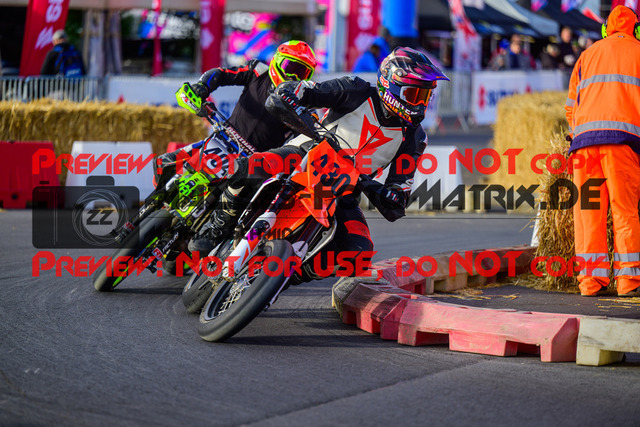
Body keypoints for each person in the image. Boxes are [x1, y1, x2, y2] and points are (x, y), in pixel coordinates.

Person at [191, 47, 449, 283]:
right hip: (305, 152)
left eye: (425, 96)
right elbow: (297, 92)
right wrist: (293, 100)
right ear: (391, 83)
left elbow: (399, 194)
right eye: (415, 94)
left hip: (345, 189)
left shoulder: (415, 138)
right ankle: (218, 226)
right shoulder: (355, 88)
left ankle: (286, 277)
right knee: (248, 168)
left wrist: (387, 194)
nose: (421, 104)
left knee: (359, 254)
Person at [160, 40, 316, 260]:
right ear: (277, 61)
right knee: (166, 161)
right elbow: (221, 74)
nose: (294, 76)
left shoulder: (302, 101)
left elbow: (308, 132)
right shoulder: (258, 70)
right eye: (291, 68)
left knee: (239, 198)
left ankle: (214, 231)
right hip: (223, 139)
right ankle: (159, 202)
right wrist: (202, 86)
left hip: (255, 161)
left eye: (302, 73)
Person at [564, 5, 640, 297]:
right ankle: (628, 281)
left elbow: (570, 106)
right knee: (624, 211)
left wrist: (580, 132)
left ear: (606, 29)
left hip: (584, 144)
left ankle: (590, 282)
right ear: (636, 29)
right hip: (622, 144)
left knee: (588, 215)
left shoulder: (588, 54)